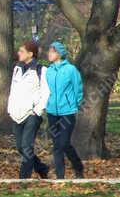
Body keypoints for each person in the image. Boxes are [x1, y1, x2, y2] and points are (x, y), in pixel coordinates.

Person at [7, 40, 50, 179]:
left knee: (26, 146)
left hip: (31, 114)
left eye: (22, 51)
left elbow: (46, 92)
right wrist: (10, 108)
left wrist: (37, 110)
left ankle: (23, 178)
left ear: (31, 54)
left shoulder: (41, 70)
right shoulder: (17, 69)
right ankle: (42, 168)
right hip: (16, 114)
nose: (18, 53)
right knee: (20, 147)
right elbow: (13, 90)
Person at [45, 41, 85, 179]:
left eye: (52, 51)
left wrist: (75, 103)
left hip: (67, 112)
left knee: (63, 143)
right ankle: (60, 176)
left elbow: (78, 88)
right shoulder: (49, 71)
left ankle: (78, 166)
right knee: (57, 144)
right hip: (52, 112)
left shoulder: (70, 70)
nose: (49, 54)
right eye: (49, 51)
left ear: (59, 53)